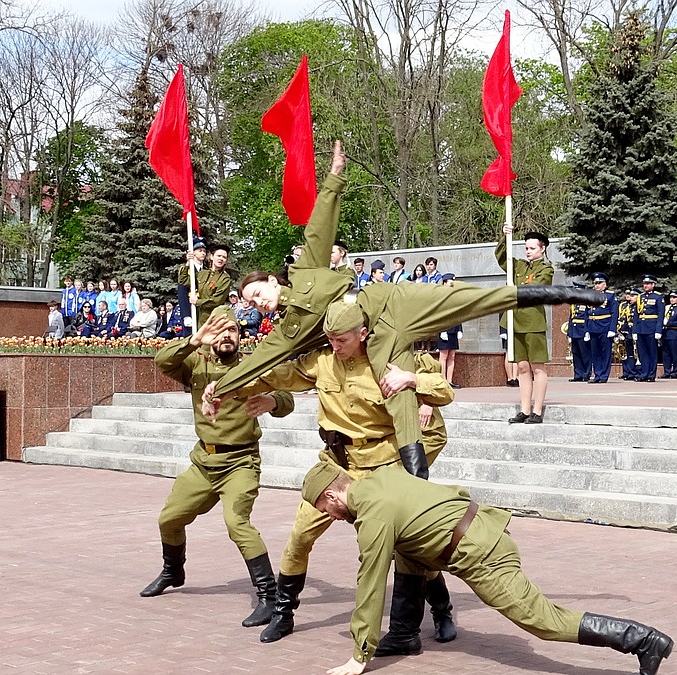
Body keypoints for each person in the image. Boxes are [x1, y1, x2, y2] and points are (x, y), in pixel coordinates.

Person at [217, 144, 601, 479]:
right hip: (376, 336)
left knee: (468, 299)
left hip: (391, 301)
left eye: (256, 292)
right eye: (250, 302)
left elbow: (318, 231)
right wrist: (220, 388)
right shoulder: (288, 331)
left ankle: (564, 293)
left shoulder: (305, 271)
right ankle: (418, 477)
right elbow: (261, 360)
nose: (257, 302)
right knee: (395, 387)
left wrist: (334, 179)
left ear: (270, 279)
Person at [207, 301, 458, 649]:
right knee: (300, 535)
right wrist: (226, 388)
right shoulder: (322, 360)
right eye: (330, 339)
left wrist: (412, 381)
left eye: (341, 340)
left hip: (382, 467)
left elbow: (444, 390)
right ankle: (284, 612)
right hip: (337, 464)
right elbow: (274, 374)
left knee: (406, 546)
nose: (335, 347)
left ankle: (440, 611)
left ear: (363, 334)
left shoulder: (387, 361)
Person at [299, 461, 675, 675]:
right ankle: (404, 635)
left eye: (324, 509)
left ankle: (642, 640)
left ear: (332, 495)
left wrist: (359, 653)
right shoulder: (383, 477)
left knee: (544, 621)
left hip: (483, 553)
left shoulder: (373, 514)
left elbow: (369, 581)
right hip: (475, 530)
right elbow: (441, 501)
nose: (329, 517)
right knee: (407, 551)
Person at [141, 311, 295, 630]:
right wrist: (195, 340)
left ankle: (269, 597)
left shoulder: (253, 366)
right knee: (169, 519)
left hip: (240, 462)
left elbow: (286, 398)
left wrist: (271, 401)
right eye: (220, 330)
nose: (227, 336)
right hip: (203, 463)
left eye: (233, 330)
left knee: (237, 523)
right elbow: (162, 360)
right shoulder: (197, 363)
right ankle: (173, 571)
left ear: (241, 336)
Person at [496, 225, 554, 423]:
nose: (528, 252)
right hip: (515, 320)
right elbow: (502, 258)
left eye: (532, 248)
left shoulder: (546, 269)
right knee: (521, 367)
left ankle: (537, 410)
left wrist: (512, 290)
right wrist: (505, 237)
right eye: (526, 248)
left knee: (537, 367)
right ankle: (525, 409)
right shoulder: (519, 266)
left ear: (542, 248)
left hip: (532, 322)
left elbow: (536, 288)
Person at [584, 272, 618, 384]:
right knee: (595, 353)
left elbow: (614, 313)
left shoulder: (610, 295)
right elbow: (586, 313)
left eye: (599, 283)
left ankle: (604, 375)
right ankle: (597, 374)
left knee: (605, 353)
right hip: (593, 327)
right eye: (595, 283)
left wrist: (612, 329)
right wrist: (586, 330)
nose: (597, 285)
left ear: (605, 284)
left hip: (605, 326)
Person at [632, 275, 664, 382]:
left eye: (648, 284)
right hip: (641, 327)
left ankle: (651, 374)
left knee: (652, 352)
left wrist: (658, 330)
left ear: (653, 285)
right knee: (642, 352)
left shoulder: (658, 297)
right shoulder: (640, 297)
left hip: (652, 327)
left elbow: (660, 315)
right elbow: (636, 315)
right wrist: (634, 330)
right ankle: (644, 373)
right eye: (644, 284)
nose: (645, 286)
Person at [436, 274, 462, 388]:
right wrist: (442, 330)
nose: (452, 284)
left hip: (454, 330)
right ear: (444, 283)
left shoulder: (455, 296)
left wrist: (460, 329)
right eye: (450, 282)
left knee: (452, 356)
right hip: (444, 331)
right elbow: (440, 315)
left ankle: (449, 381)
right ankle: (443, 381)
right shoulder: (441, 297)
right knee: (443, 357)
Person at [661, 291, 677, 379]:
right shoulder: (666, 307)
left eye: (674, 298)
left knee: (674, 353)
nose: (672, 299)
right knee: (665, 353)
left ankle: (674, 372)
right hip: (665, 333)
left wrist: (668, 323)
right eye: (671, 297)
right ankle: (666, 372)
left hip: (673, 332)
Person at [567, 293, 590, 382]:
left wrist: (586, 331)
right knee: (576, 354)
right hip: (574, 331)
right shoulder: (574, 304)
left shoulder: (586, 303)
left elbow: (587, 318)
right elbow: (571, 318)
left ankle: (586, 374)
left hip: (582, 331)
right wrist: (569, 332)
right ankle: (578, 374)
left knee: (585, 354)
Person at [618, 288, 638, 380]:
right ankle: (628, 371)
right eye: (627, 294)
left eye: (630, 294)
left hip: (634, 330)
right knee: (625, 353)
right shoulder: (624, 305)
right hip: (625, 330)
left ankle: (635, 372)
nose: (628, 296)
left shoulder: (637, 306)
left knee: (635, 353)